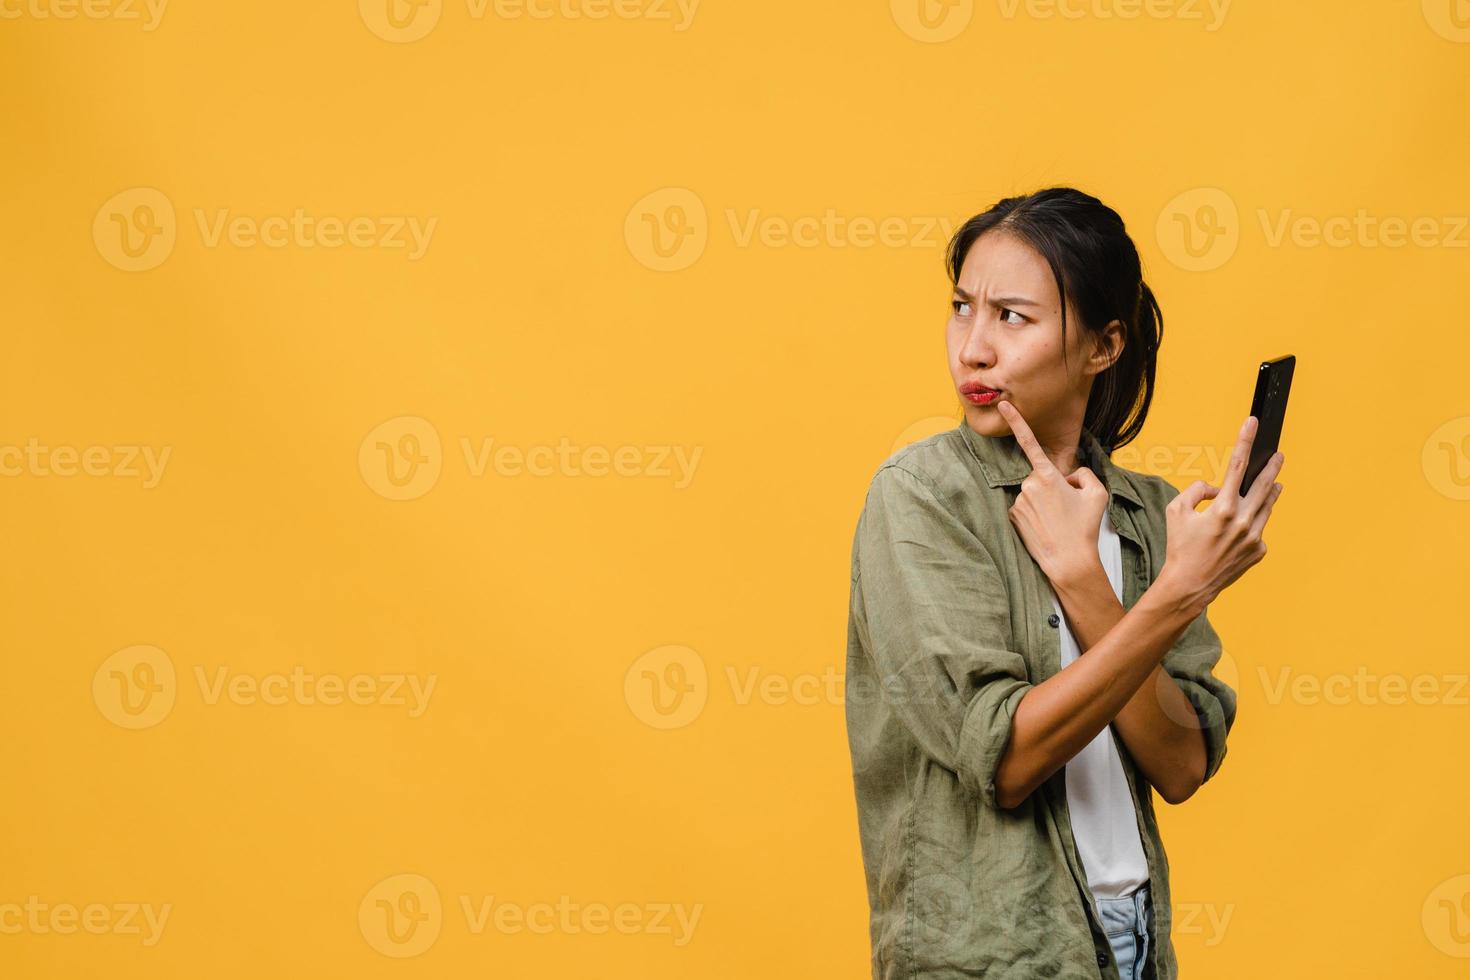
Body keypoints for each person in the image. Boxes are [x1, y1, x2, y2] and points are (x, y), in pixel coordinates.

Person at [844, 187, 1284, 979]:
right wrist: (1174, 597)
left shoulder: (1147, 514)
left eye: (1012, 316)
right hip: (991, 953)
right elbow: (1007, 760)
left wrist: (1089, 580)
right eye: (961, 308)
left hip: (1135, 941)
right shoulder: (921, 496)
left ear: (1103, 346)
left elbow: (1180, 766)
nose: (973, 348)